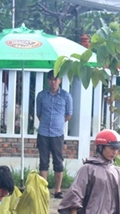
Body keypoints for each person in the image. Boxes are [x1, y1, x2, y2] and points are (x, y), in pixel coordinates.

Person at [36, 70, 73, 198]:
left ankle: (57, 190)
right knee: (43, 161)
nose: (53, 82)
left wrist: (59, 122)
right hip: (43, 132)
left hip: (57, 133)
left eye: (56, 79)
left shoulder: (66, 96)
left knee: (58, 161)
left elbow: (69, 114)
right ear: (48, 81)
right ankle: (43, 189)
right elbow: (39, 113)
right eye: (51, 79)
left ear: (60, 80)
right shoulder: (41, 96)